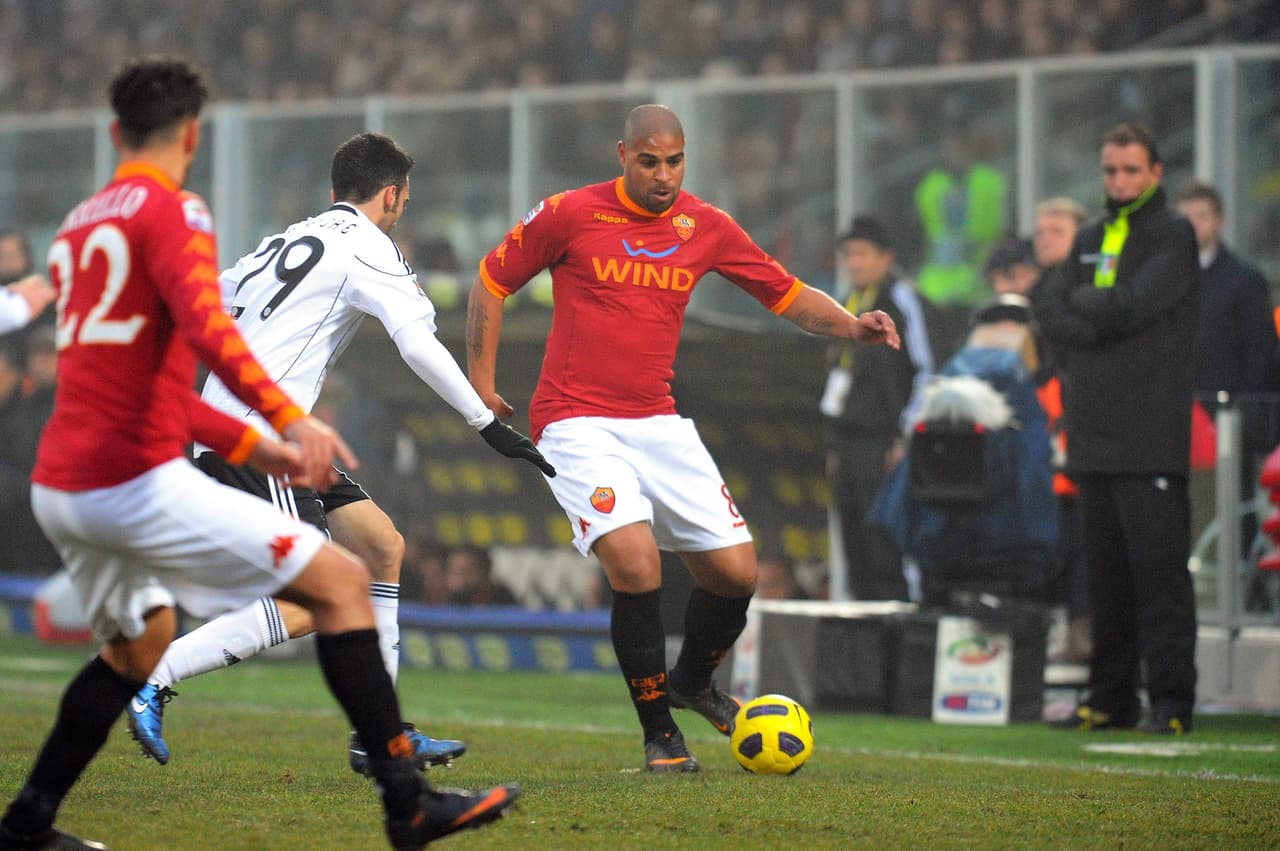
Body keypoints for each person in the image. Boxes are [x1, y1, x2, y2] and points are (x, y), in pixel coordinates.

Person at [0, 58, 517, 851]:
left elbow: (207, 312)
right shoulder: (180, 213)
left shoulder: (77, 229)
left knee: (374, 548)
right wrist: (281, 420)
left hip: (72, 471)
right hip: (193, 454)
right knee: (329, 591)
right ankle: (402, 792)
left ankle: (28, 823)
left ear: (113, 134)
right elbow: (212, 325)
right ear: (194, 135)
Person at [465, 104, 900, 772]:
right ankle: (659, 732)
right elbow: (491, 281)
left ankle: (693, 679)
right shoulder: (569, 213)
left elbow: (783, 293)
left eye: (675, 161)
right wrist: (481, 382)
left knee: (736, 571)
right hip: (575, 419)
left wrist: (851, 325)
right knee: (636, 562)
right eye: (649, 160)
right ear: (623, 154)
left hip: (657, 419)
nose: (664, 175)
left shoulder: (706, 225)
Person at [125, 131, 553, 775]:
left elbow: (209, 304)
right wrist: (482, 420)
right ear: (392, 195)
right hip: (261, 438)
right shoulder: (369, 246)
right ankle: (152, 676)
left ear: (335, 192)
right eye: (403, 198)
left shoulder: (285, 240)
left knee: (382, 546)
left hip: (264, 430)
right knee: (314, 602)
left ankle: (379, 736)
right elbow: (416, 341)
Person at [1031, 122, 1200, 735]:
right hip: (1092, 433)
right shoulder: (1090, 235)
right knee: (1105, 581)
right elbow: (1050, 309)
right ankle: (1111, 699)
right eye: (1110, 171)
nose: (1119, 181)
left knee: (1159, 578)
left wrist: (1093, 312)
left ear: (1155, 172)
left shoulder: (1173, 236)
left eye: (1131, 170)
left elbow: (1136, 305)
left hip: (1150, 435)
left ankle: (1174, 703)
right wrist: (1099, 315)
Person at [820, 215, 934, 602]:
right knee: (853, 539)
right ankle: (862, 633)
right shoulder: (848, 303)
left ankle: (899, 625)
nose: (854, 263)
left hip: (885, 442)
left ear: (886, 258)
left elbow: (926, 369)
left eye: (862, 254)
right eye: (848, 254)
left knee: (884, 538)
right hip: (848, 440)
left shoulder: (902, 301)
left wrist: (906, 435)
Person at [1176, 181, 1277, 563]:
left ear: (1218, 221)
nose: (1194, 226)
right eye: (1186, 218)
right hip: (1177, 416)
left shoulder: (1243, 279)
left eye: (1201, 216)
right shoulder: (1167, 280)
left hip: (1224, 420)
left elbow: (1259, 353)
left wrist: (1243, 415)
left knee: (1229, 510)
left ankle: (1235, 587)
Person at [1032, 196, 1091, 665]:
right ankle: (1061, 632)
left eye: (1057, 230)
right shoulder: (1042, 288)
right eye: (1041, 230)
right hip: (1046, 428)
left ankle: (1083, 633)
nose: (1044, 237)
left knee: (1082, 541)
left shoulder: (1082, 288)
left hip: (1078, 427)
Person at [441, 544, 518, 606]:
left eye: (466, 571)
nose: (457, 578)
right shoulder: (440, 600)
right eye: (453, 571)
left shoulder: (501, 599)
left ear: (484, 573)